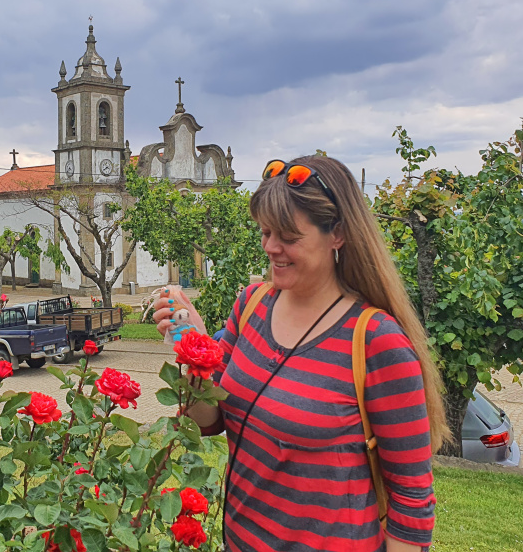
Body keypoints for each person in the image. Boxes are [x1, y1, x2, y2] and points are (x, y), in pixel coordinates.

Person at [153, 156, 449, 552]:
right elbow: (210, 421)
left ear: (338, 234)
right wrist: (196, 353)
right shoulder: (251, 305)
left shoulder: (376, 341)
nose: (271, 248)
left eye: (289, 237)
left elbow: (412, 499)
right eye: (265, 232)